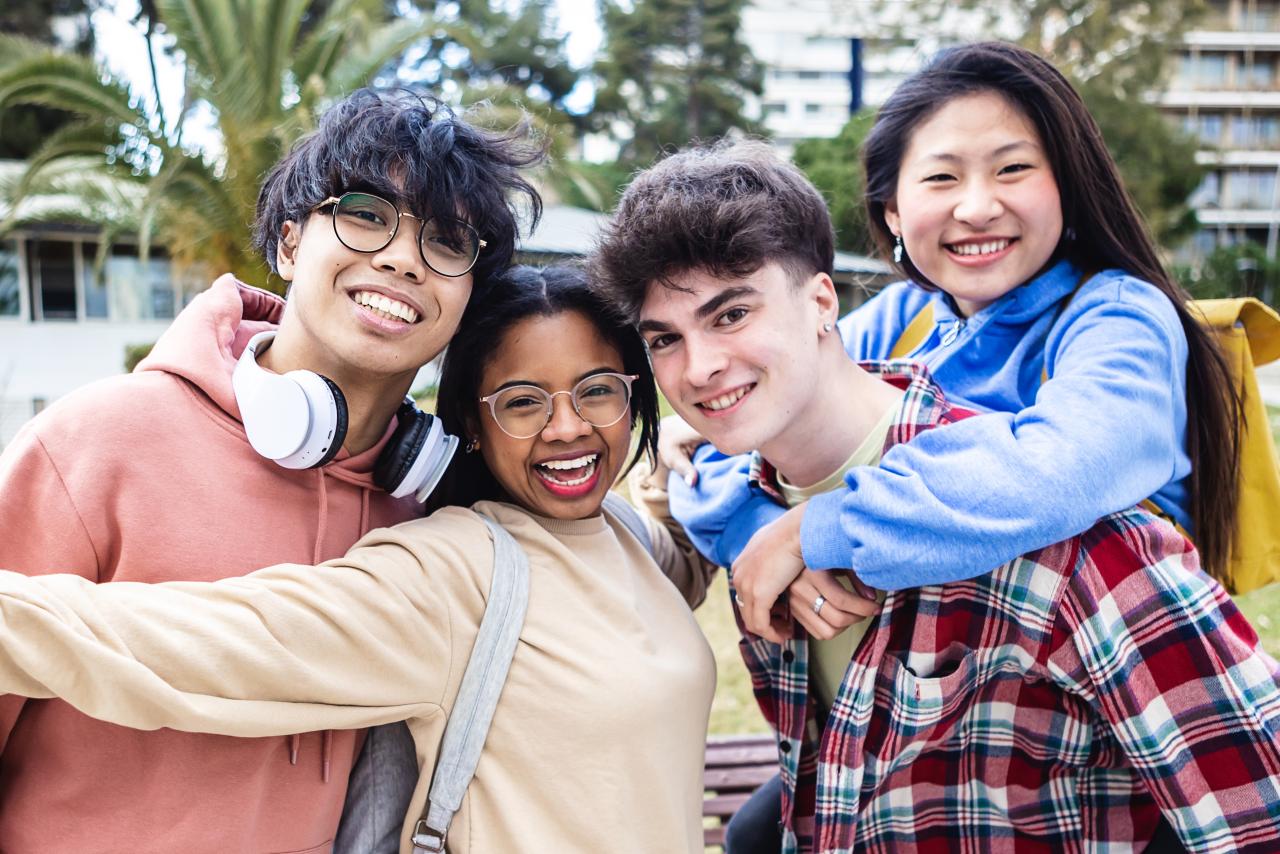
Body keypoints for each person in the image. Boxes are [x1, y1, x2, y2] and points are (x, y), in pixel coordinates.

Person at [588, 136, 1280, 852]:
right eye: (664, 338)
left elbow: (1260, 801)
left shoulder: (1048, 527)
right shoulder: (753, 498)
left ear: (822, 301)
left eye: (732, 315)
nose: (698, 367)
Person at [0, 265, 718, 853]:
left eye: (597, 391)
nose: (568, 428)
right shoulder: (454, 575)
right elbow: (215, 641)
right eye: (522, 403)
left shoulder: (622, 531)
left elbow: (678, 566)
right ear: (469, 425)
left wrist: (703, 471)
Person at [0, 89, 542, 852]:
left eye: (447, 241)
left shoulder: (428, 506)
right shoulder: (97, 441)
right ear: (289, 243)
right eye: (365, 212)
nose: (399, 257)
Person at [659, 41, 1242, 644]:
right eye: (941, 177)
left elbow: (1056, 474)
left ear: (1066, 185)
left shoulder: (1118, 317)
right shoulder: (905, 316)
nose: (978, 207)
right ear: (892, 212)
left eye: (1012, 169)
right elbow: (712, 461)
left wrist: (817, 530)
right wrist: (762, 535)